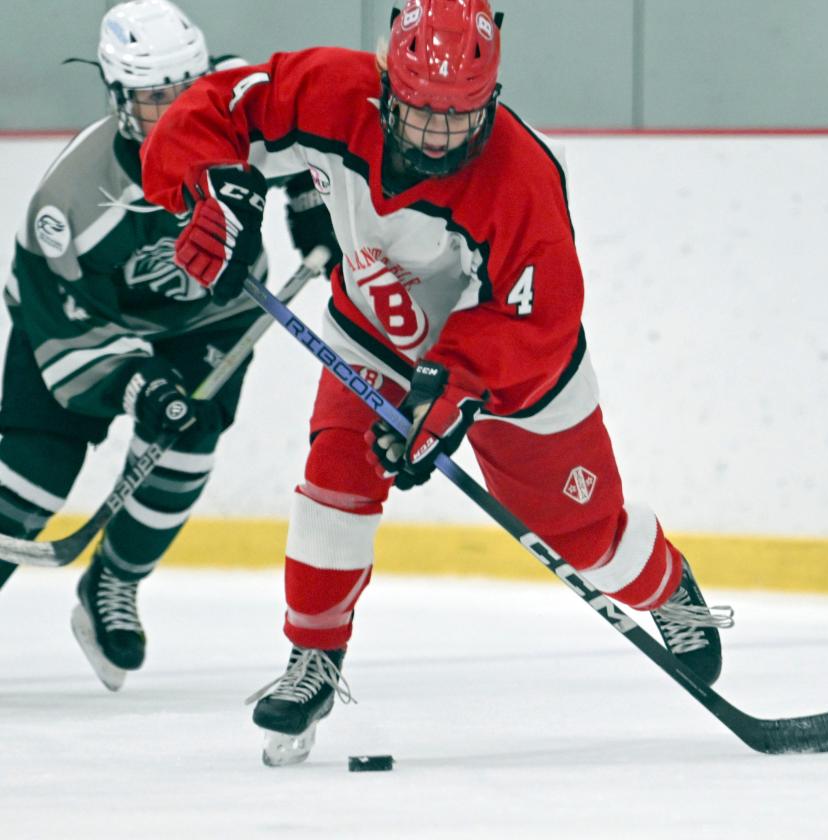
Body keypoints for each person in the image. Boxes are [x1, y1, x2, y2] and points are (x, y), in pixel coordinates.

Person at [141, 0, 734, 764]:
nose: (435, 139)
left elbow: (541, 316)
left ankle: (667, 586)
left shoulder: (521, 177)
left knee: (587, 539)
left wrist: (451, 390)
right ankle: (314, 658)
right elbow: (212, 107)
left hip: (512, 371)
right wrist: (211, 191)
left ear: (491, 99)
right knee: (336, 477)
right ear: (388, 82)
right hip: (375, 332)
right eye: (419, 115)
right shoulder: (327, 89)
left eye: (459, 120)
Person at [0, 0, 276, 692]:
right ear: (120, 98)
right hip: (74, 326)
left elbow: (319, 142)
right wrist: (134, 384)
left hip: (206, 320)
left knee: (186, 446)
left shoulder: (245, 118)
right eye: (156, 100)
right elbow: (65, 324)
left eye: (186, 93)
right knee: (32, 480)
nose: (177, 112)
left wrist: (311, 214)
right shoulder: (70, 201)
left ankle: (113, 584)